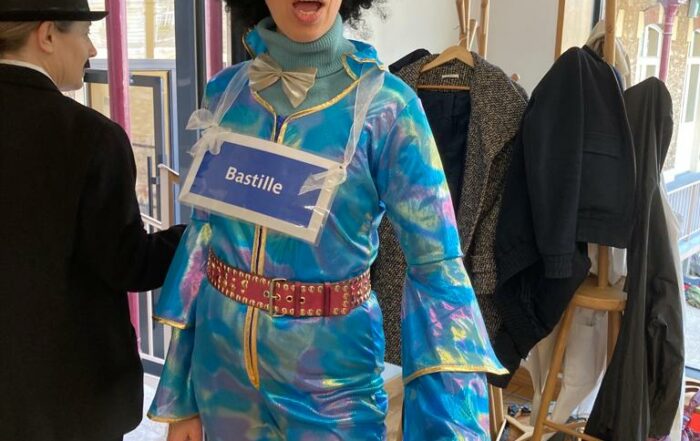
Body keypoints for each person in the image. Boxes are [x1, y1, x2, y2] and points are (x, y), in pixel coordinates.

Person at [148, 0, 505, 440]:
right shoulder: (224, 93)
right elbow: (203, 239)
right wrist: (181, 395)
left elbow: (438, 272)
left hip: (333, 381)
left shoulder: (388, 107)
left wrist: (451, 429)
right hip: (220, 374)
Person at [0, 1, 185, 440]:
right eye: (84, 34)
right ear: (47, 35)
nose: (92, 49)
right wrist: (198, 235)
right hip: (67, 398)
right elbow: (126, 263)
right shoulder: (90, 136)